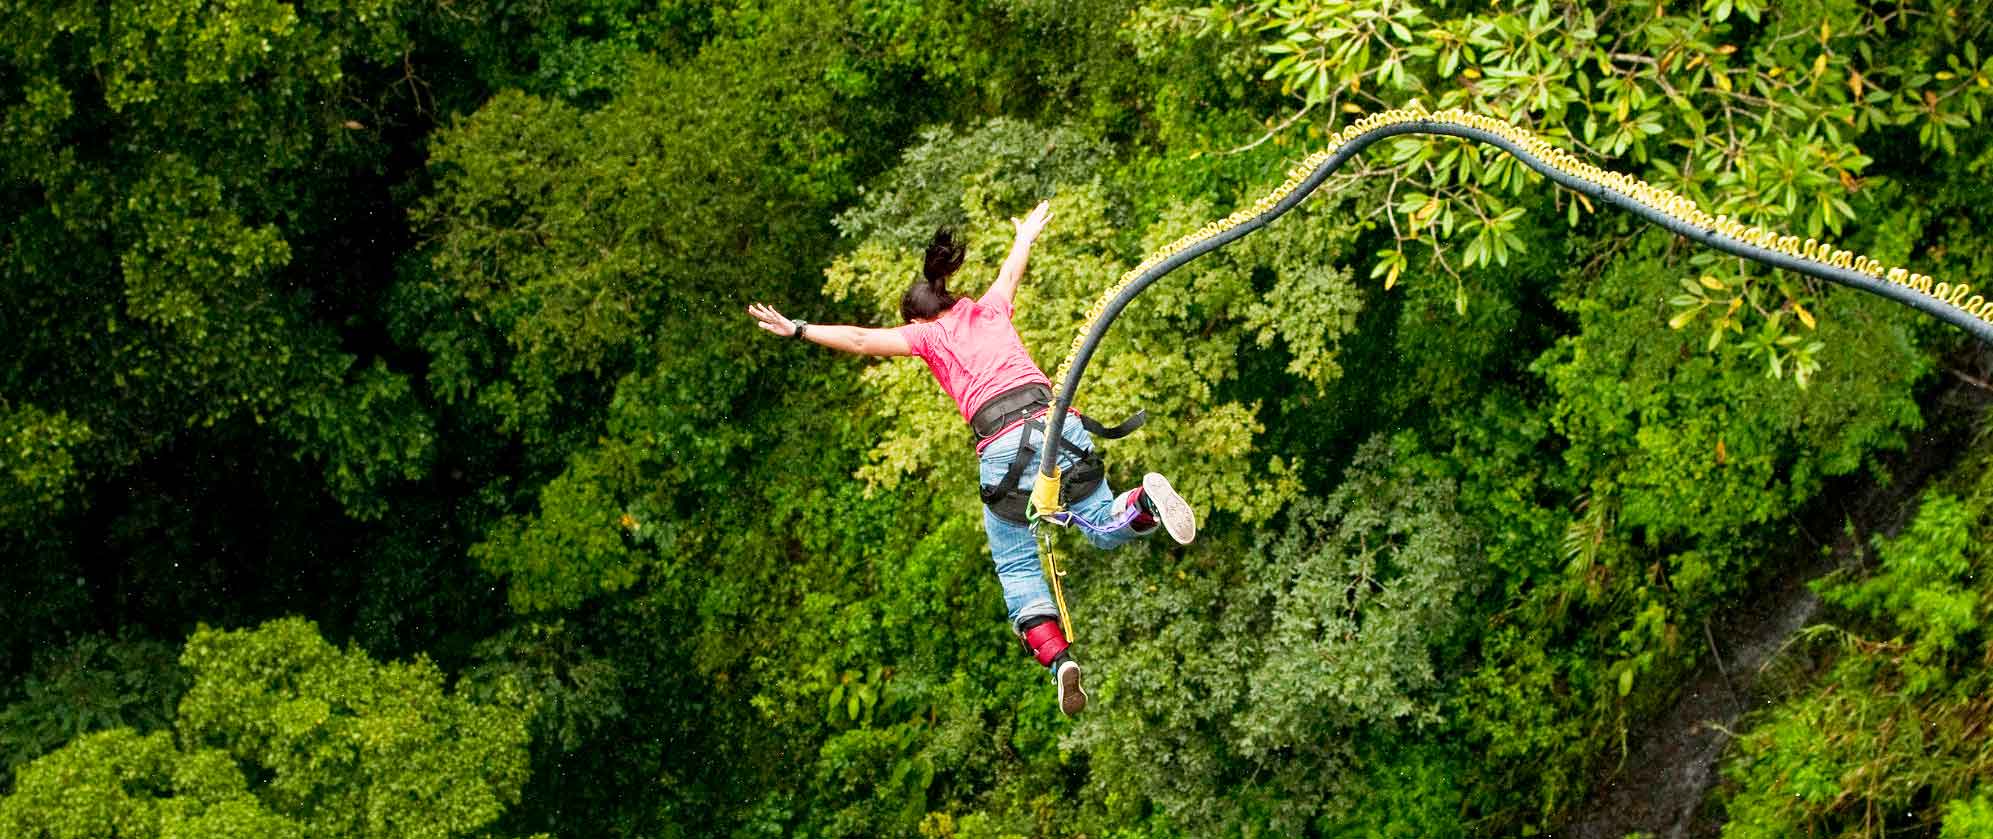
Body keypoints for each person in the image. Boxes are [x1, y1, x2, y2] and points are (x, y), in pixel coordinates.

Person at [746, 200, 1196, 716]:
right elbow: (1011, 271)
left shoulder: (926, 334)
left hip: (1003, 447)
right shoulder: (989, 308)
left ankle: (1059, 661)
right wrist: (1025, 235)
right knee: (1100, 520)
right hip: (1057, 425)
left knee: (1015, 562)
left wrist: (798, 329)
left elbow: (861, 339)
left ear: (917, 318)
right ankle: (1144, 501)